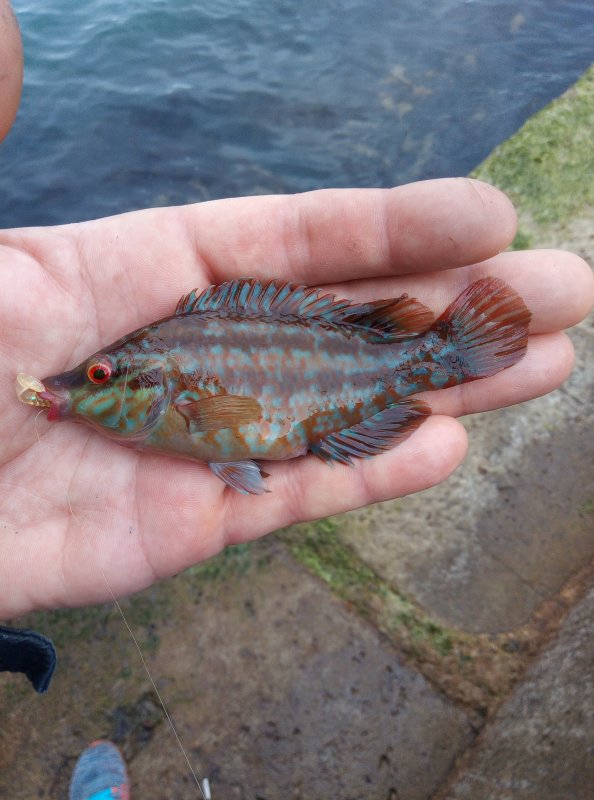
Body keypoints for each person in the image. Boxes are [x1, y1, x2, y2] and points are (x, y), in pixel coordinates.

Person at [0, 1, 592, 796]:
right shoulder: (155, 394)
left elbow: (231, 431)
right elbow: (232, 438)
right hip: (337, 401)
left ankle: (448, 351)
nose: (78, 386)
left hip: (364, 383)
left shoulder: (173, 393)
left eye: (99, 377)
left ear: (153, 389)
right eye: (91, 378)